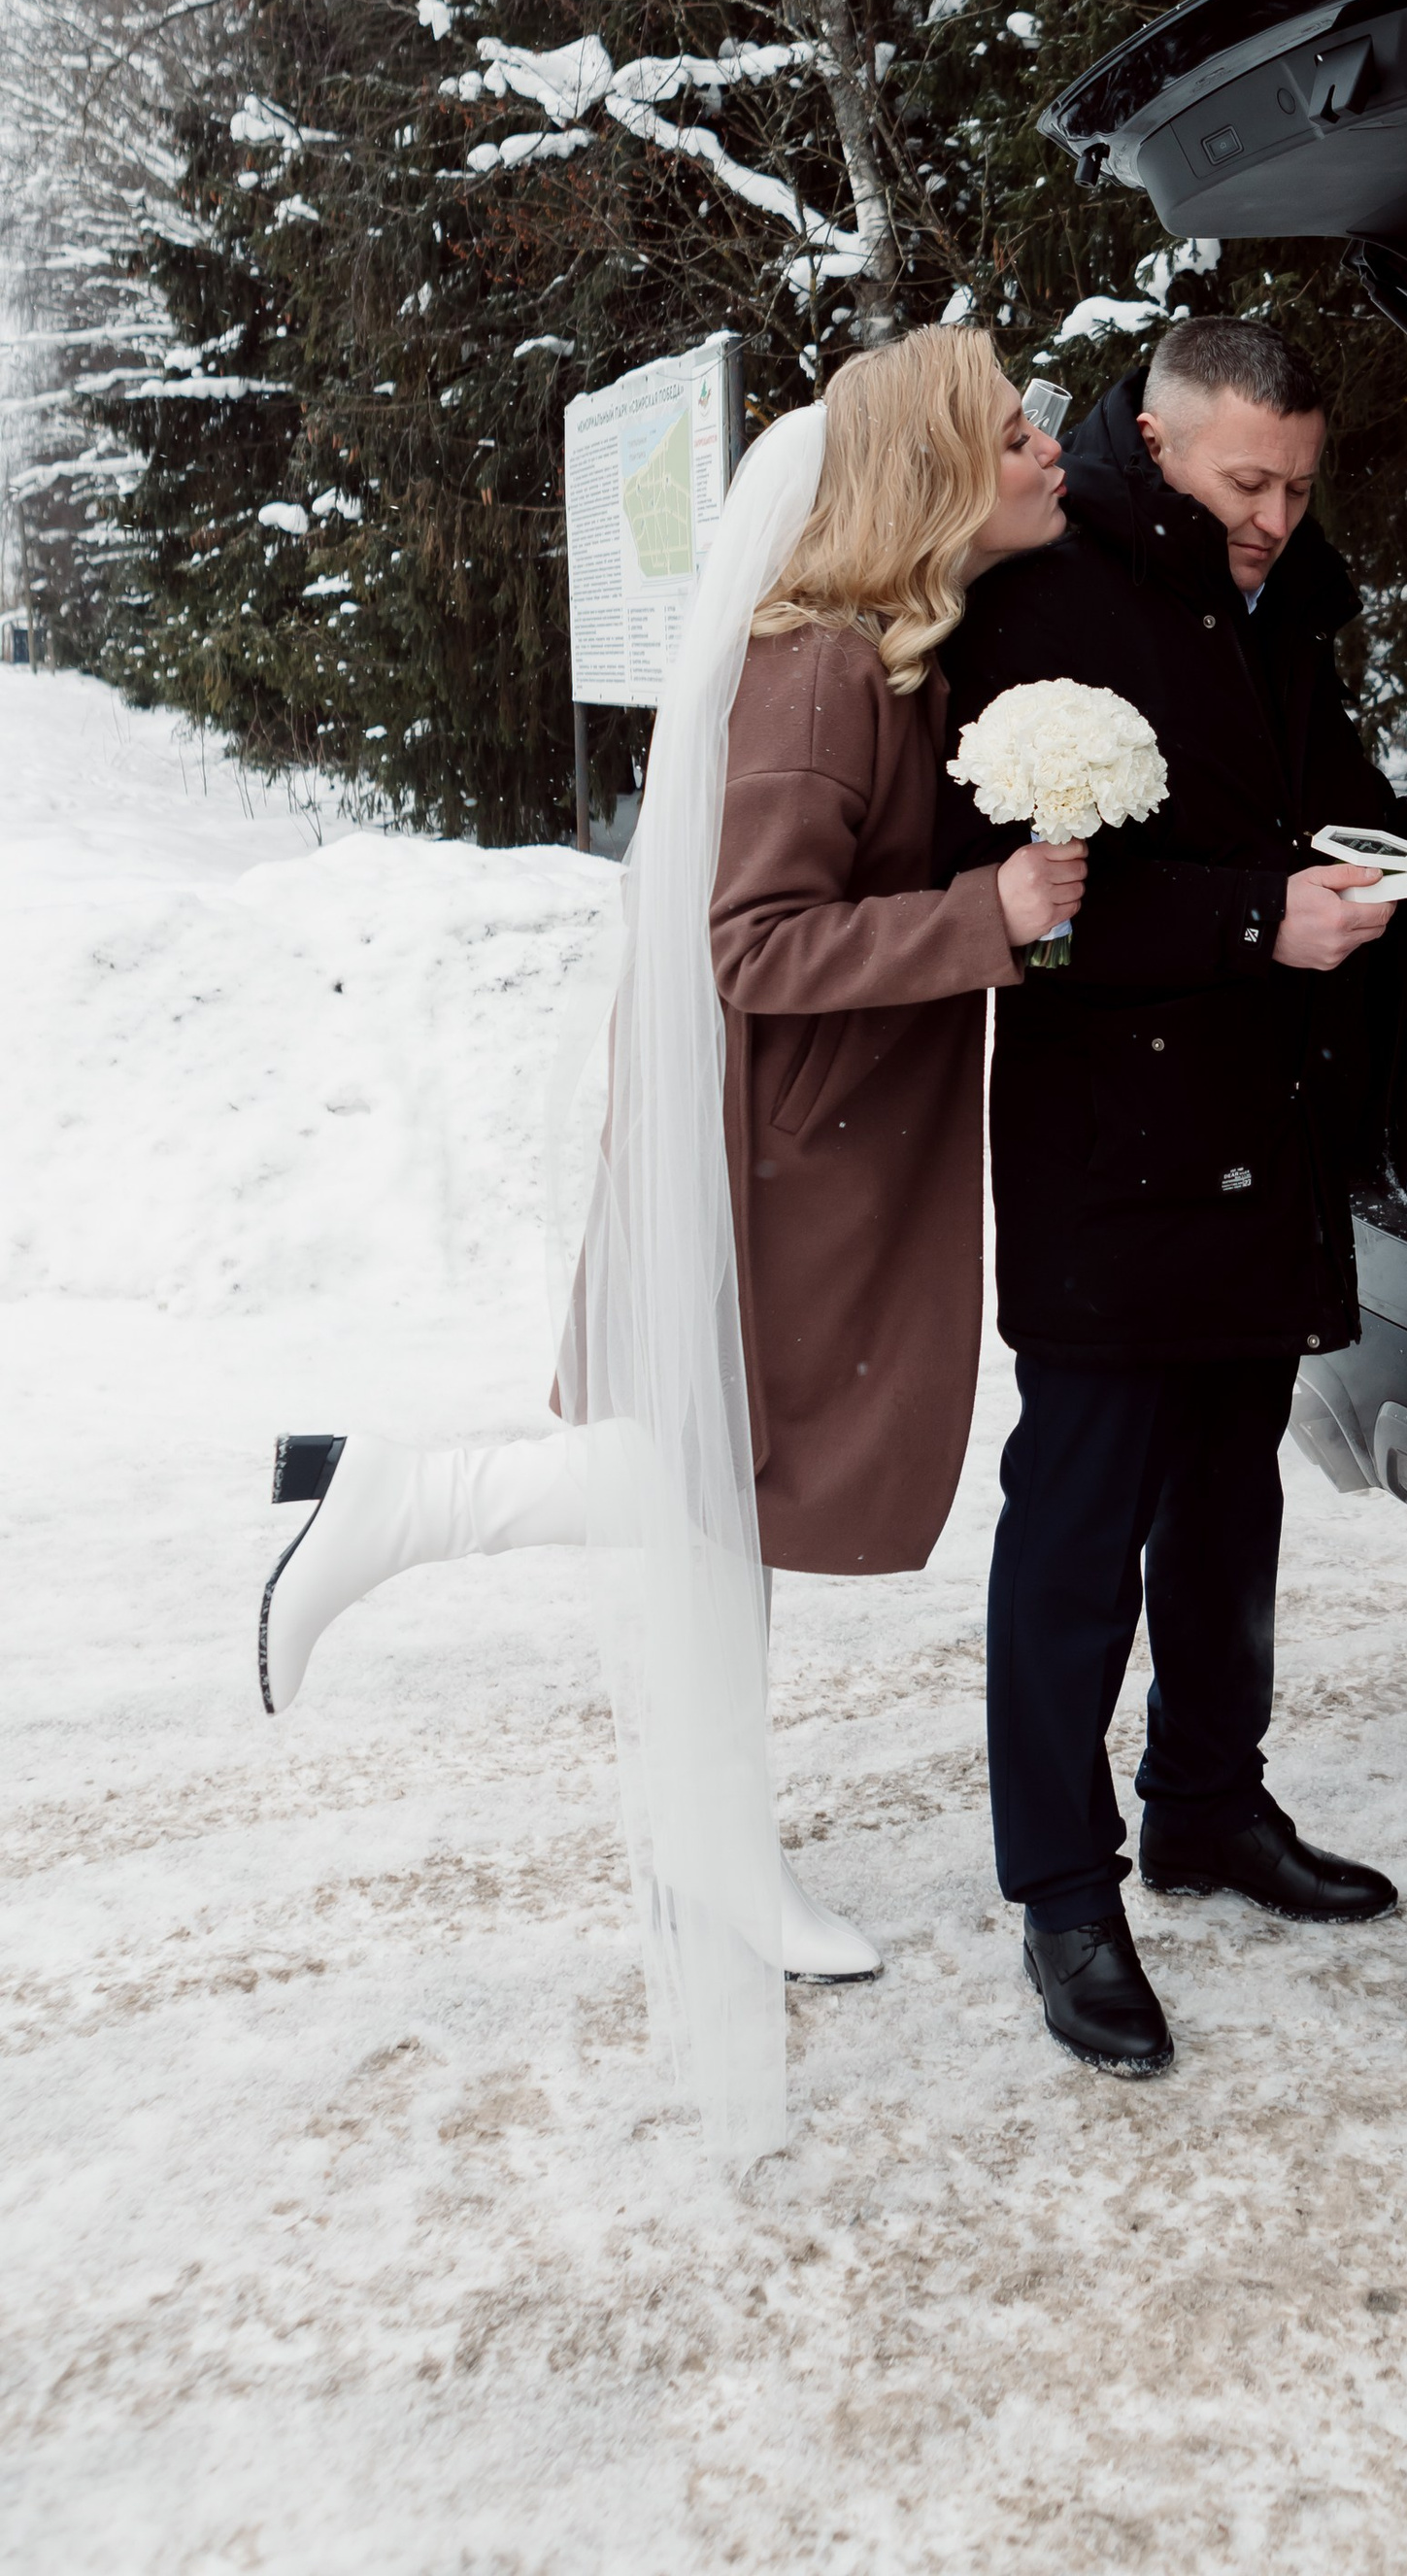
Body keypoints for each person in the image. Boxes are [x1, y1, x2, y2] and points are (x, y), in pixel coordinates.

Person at [254, 329, 1081, 2160]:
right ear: (937, 471)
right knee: (711, 1483)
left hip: (823, 1154)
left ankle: (720, 1864)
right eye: (1015, 429)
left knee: (733, 1522)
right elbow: (753, 945)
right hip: (776, 1165)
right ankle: (404, 1500)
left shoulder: (899, 656)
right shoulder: (814, 676)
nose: (1050, 446)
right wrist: (988, 915)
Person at [940, 317, 1406, 2076]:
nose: (1278, 512)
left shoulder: (1284, 595)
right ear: (1157, 437)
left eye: (1298, 481)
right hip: (1112, 1151)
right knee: (1077, 1537)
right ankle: (1064, 1890)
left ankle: (1209, 1800)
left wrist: (1371, 849)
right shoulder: (1042, 602)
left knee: (1229, 1510)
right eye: (1245, 479)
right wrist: (1252, 919)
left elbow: (1305, 791)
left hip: (1262, 1122)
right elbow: (1015, 909)